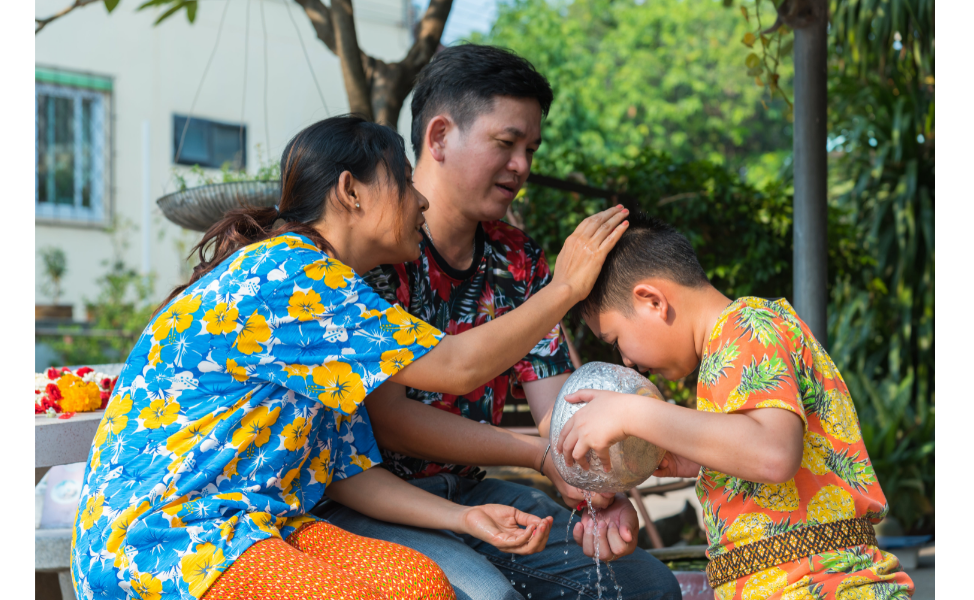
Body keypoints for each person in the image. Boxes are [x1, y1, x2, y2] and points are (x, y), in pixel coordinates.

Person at [69, 115, 630, 600]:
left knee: (419, 584)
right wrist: (564, 289)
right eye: (406, 184)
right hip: (166, 538)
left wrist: (466, 518)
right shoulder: (290, 272)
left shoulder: (334, 295)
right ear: (351, 191)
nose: (423, 200)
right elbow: (457, 366)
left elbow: (348, 473)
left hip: (257, 526)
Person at [317, 44, 681, 600]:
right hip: (365, 502)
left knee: (647, 587)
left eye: (531, 148)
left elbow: (562, 415)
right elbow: (390, 419)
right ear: (438, 137)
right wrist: (541, 455)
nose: (523, 166)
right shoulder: (371, 254)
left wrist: (598, 488)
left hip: (471, 492)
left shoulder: (519, 260)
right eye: (506, 144)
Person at [556, 214, 915, 600]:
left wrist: (631, 412)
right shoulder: (727, 351)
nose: (626, 361)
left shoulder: (745, 325)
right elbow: (767, 455)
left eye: (615, 340)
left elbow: (773, 453)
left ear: (653, 301)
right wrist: (700, 460)